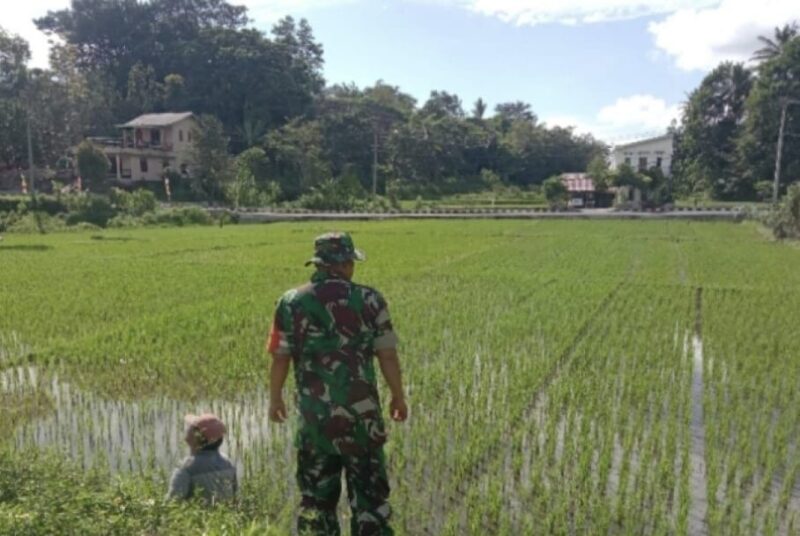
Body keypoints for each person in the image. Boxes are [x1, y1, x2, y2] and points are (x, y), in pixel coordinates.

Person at [268, 231, 407, 536]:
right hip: (362, 419)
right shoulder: (370, 299)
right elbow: (387, 355)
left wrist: (275, 398)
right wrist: (398, 397)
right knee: (370, 505)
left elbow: (280, 357)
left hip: (314, 421)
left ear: (318, 264)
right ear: (345, 263)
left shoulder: (290, 302)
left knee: (316, 506)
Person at [166, 413, 237, 504]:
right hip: (224, 515)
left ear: (196, 438)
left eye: (190, 428)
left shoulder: (187, 467)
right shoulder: (227, 462)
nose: (187, 431)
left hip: (198, 517)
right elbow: (234, 496)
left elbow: (173, 501)